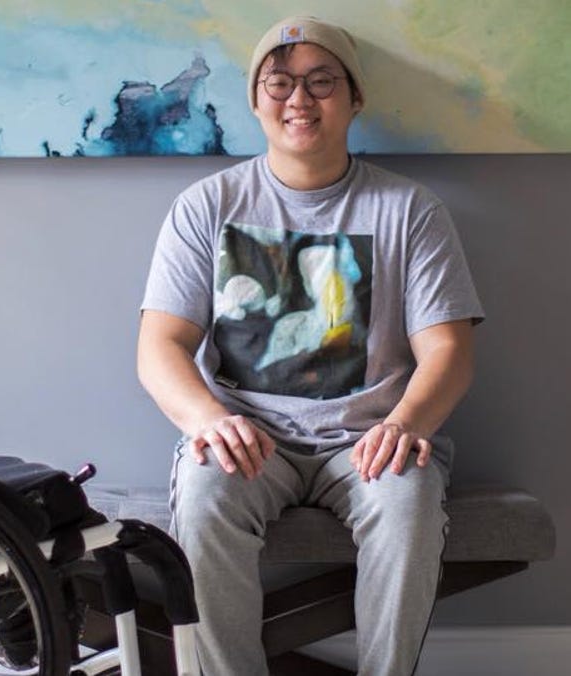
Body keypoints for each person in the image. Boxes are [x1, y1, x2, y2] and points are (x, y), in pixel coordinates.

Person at [136, 15, 484, 675]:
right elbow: (160, 346)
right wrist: (208, 420)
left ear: (355, 99)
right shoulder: (205, 207)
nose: (299, 99)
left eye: (322, 82)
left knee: (407, 501)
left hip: (370, 439)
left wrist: (406, 424)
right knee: (205, 497)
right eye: (280, 83)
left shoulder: (411, 211)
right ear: (255, 100)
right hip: (248, 437)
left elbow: (449, 351)